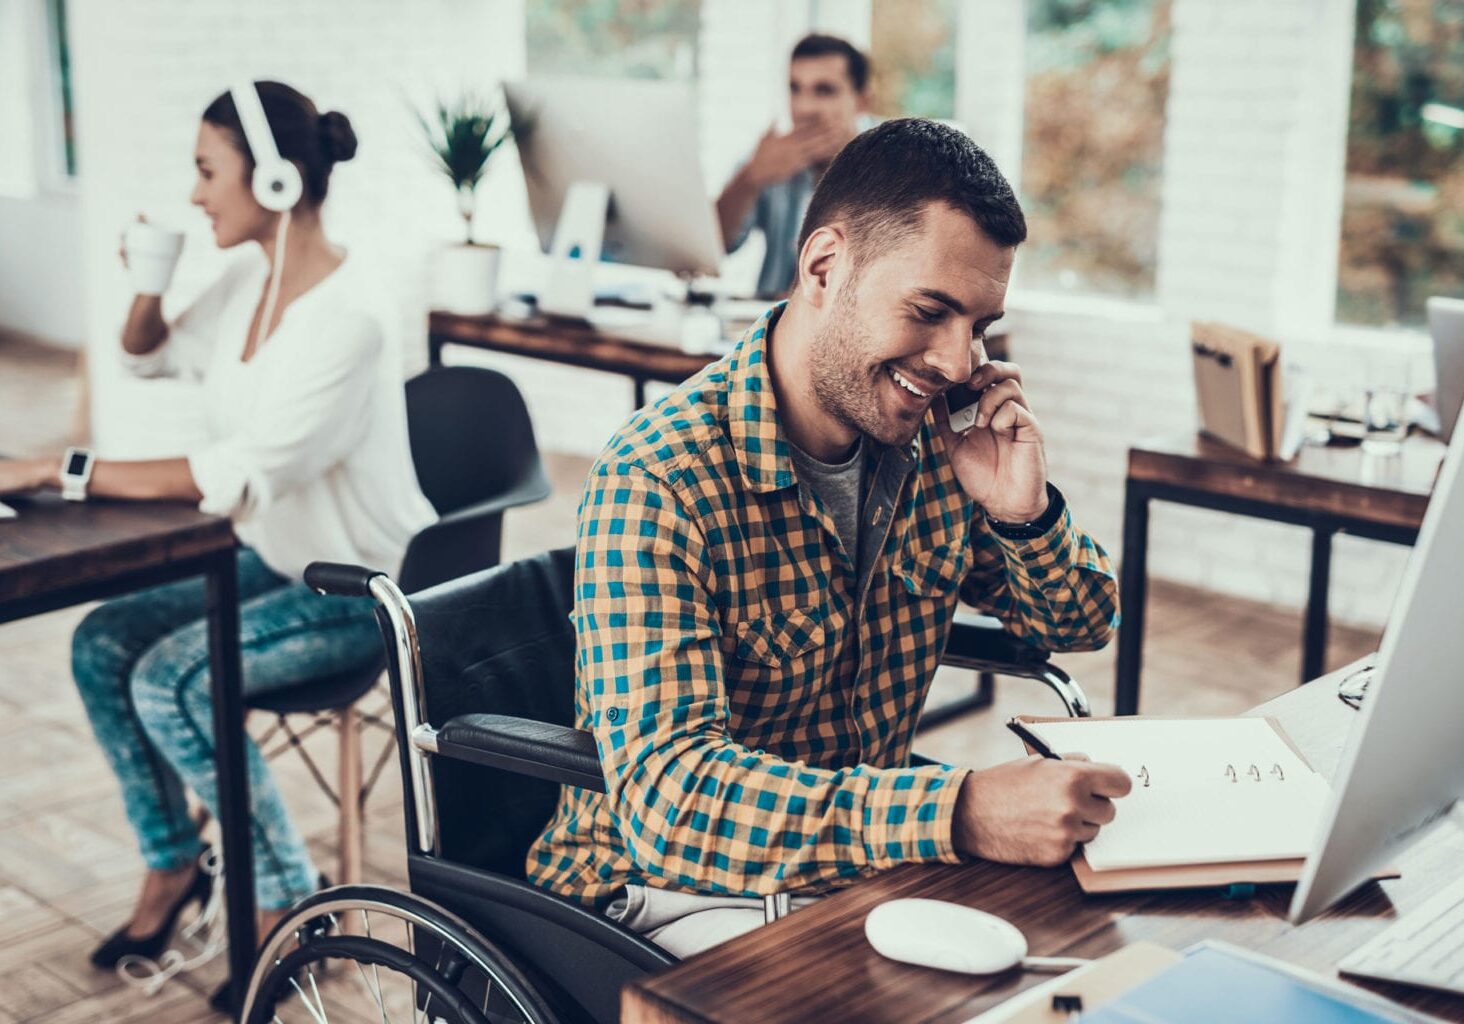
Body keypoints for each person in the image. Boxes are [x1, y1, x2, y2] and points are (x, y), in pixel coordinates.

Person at [528, 118, 1132, 959]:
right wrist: (958, 811)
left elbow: (1079, 626)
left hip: (843, 872)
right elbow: (673, 804)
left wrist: (1019, 514)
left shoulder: (935, 446)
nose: (960, 362)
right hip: (661, 890)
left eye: (981, 324)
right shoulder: (661, 476)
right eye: (931, 311)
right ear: (823, 267)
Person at [0, 81, 434, 1006]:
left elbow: (232, 473)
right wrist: (149, 278)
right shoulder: (252, 278)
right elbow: (148, 353)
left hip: (355, 590)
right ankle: (172, 867)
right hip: (275, 558)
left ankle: (287, 908)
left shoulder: (348, 318)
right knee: (101, 642)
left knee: (172, 679)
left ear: (274, 181)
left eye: (207, 172)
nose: (196, 194)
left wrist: (57, 467)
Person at [715, 33, 872, 300]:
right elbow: (715, 247)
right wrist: (750, 178)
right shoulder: (772, 157)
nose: (804, 107)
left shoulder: (890, 164)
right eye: (794, 88)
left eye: (824, 90)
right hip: (770, 322)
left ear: (862, 102)